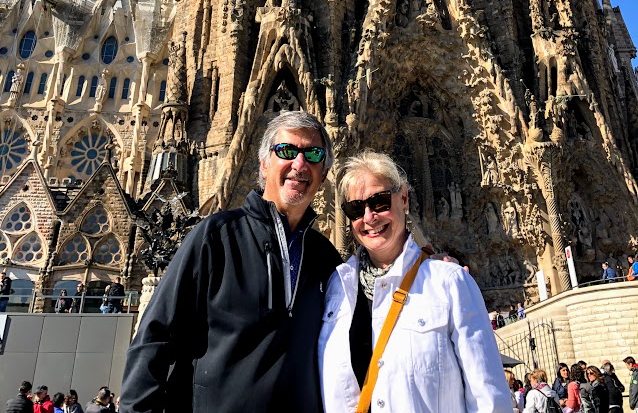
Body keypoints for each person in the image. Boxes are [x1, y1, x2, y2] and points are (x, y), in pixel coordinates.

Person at [120, 111, 341, 413]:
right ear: (264, 164)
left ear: (324, 172)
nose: (299, 164)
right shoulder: (216, 236)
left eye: (313, 153)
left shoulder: (326, 257)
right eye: (287, 151)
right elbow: (155, 337)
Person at [318, 150, 512, 412]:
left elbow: (488, 399)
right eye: (355, 209)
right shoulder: (335, 289)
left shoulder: (448, 283)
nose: (369, 217)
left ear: (404, 198)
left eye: (380, 202)